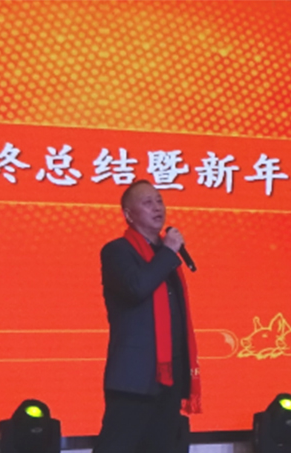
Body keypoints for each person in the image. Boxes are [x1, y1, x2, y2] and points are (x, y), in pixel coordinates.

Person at [93, 180, 201, 453]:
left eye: (159, 201)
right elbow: (136, 288)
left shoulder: (165, 255)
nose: (157, 208)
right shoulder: (117, 251)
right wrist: (168, 252)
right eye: (148, 202)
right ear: (128, 214)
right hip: (133, 379)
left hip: (169, 378)